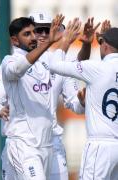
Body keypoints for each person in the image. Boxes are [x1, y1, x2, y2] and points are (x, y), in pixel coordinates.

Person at [0, 15, 75, 180]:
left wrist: (68, 43)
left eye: (34, 32)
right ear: (14, 40)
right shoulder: (9, 61)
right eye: (27, 34)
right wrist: (49, 42)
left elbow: (67, 67)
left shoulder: (44, 63)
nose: (34, 37)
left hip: (46, 145)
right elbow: (19, 69)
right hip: (24, 145)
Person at [49, 24, 118, 180]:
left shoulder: (96, 68)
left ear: (106, 46)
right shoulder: (103, 68)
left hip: (99, 146)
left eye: (101, 42)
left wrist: (66, 41)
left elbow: (54, 65)